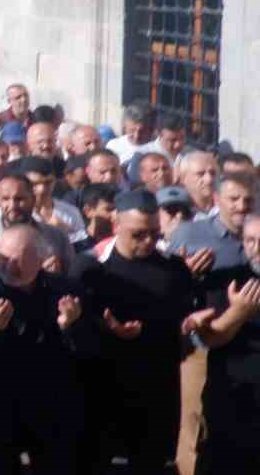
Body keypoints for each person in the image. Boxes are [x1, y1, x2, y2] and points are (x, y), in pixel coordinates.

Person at [77, 188, 201, 475]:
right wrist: (106, 328)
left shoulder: (174, 269)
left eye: (155, 234)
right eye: (138, 234)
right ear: (117, 225)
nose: (148, 242)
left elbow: (184, 317)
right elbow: (74, 323)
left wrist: (193, 323)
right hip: (102, 388)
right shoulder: (91, 268)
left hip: (156, 389)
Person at [0, 225, 92, 475]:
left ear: (40, 259)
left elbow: (87, 353)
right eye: (2, 258)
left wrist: (70, 327)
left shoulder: (65, 291)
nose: (8, 265)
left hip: (50, 407)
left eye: (17, 259)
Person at [165, 170, 253, 475]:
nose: (241, 206)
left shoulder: (254, 232)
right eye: (233, 199)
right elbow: (168, 286)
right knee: (196, 426)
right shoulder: (191, 234)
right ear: (216, 199)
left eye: (248, 200)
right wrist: (187, 272)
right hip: (203, 345)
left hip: (247, 351)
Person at [184, 214, 260, 473]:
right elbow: (210, 338)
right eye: (250, 240)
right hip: (233, 397)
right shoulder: (228, 281)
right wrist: (238, 313)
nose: (256, 248)